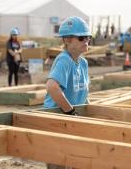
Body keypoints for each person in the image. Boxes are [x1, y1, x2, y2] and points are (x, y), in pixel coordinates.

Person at [43, 16, 92, 169]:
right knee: (59, 162)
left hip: (73, 118)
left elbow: (83, 93)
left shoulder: (83, 62)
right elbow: (52, 86)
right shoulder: (64, 60)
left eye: (88, 38)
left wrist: (89, 110)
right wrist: (70, 111)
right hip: (58, 119)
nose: (86, 41)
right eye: (82, 38)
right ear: (67, 40)